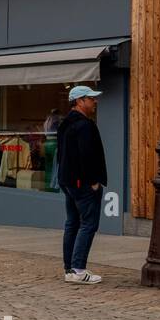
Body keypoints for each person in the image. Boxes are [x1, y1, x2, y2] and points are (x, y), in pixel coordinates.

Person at [56, 85, 108, 285]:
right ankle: (78, 269)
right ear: (80, 101)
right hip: (82, 183)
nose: (94, 102)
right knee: (88, 224)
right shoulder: (84, 125)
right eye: (91, 99)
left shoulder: (65, 123)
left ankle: (69, 269)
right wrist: (93, 181)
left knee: (72, 224)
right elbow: (87, 155)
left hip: (68, 181)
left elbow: (62, 155)